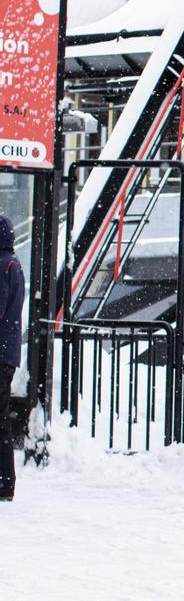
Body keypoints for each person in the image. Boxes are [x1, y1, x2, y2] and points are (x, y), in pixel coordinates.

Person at [0, 215, 25, 502]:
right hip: (8, 352)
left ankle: (5, 481)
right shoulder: (13, 264)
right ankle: (5, 480)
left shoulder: (1, 265)